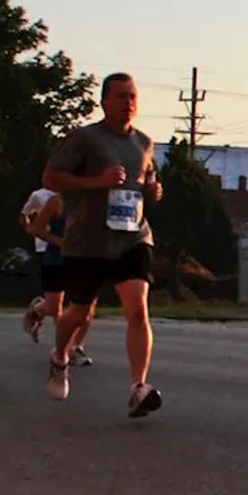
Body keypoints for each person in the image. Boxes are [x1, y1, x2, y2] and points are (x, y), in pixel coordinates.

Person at [41, 73, 163, 416]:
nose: (129, 103)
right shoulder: (84, 139)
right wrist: (96, 181)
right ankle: (60, 357)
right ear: (104, 101)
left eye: (133, 96)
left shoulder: (144, 142)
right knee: (77, 313)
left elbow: (146, 175)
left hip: (133, 236)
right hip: (88, 241)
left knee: (138, 307)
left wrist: (153, 188)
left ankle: (139, 387)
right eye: (122, 96)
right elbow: (50, 178)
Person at [20, 185, 94, 365]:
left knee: (86, 306)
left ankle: (75, 347)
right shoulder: (54, 200)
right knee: (54, 307)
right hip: (56, 257)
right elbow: (36, 227)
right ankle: (37, 310)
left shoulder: (96, 200)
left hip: (85, 258)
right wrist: (60, 242)